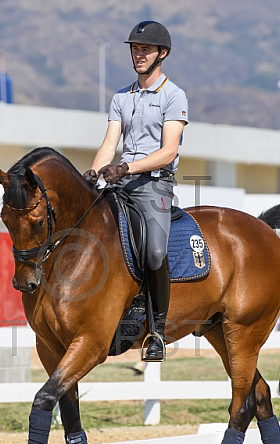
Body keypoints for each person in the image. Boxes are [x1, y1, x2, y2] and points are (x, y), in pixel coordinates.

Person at [84, 20, 188, 362]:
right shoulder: (121, 97)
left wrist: (126, 167)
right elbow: (109, 144)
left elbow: (169, 150)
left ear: (163, 54)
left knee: (155, 253)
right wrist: (96, 171)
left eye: (145, 50)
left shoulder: (174, 96)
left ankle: (157, 330)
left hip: (154, 185)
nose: (138, 55)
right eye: (135, 49)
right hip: (119, 182)